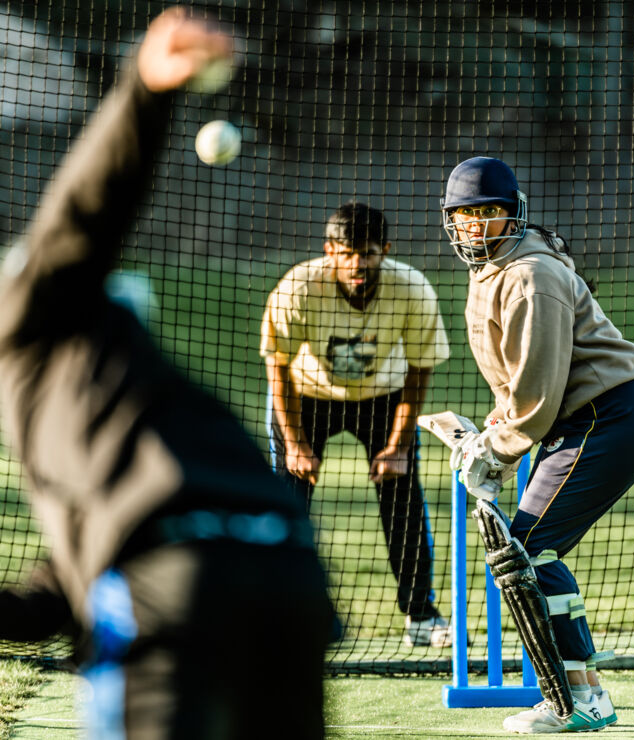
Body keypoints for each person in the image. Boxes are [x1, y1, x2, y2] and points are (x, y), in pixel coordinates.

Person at [0, 8, 331, 739]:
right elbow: (52, 595)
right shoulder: (134, 397)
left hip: (177, 583)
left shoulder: (24, 323)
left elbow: (82, 217)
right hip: (286, 571)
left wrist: (144, 93)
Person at [441, 156, 634, 733]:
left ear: (513, 214)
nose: (476, 225)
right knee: (531, 553)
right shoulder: (493, 269)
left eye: (488, 212)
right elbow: (515, 380)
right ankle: (585, 693)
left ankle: (578, 699)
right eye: (465, 214)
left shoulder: (528, 275)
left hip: (609, 414)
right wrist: (490, 432)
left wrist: (495, 450)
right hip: (590, 418)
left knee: (527, 552)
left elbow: (538, 396)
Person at [260, 202, 453, 647]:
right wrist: (295, 445)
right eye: (346, 253)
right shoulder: (298, 287)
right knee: (285, 506)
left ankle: (421, 616)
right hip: (305, 397)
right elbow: (279, 369)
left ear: (384, 250)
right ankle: (276, 613)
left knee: (402, 500)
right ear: (330, 251)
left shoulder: (413, 290)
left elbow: (419, 370)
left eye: (366, 252)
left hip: (383, 398)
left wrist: (399, 446)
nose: (357, 264)